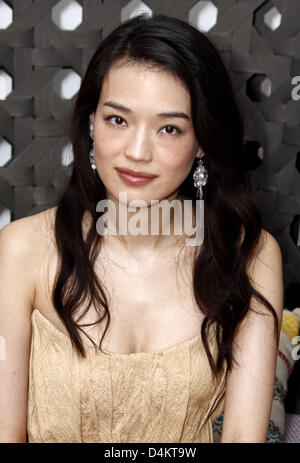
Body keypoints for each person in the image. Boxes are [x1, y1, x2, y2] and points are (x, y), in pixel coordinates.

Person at [0, 14, 283, 443]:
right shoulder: (21, 250)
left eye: (169, 128)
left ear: (202, 140)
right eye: (117, 120)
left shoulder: (251, 255)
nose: (136, 151)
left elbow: (244, 435)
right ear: (91, 122)